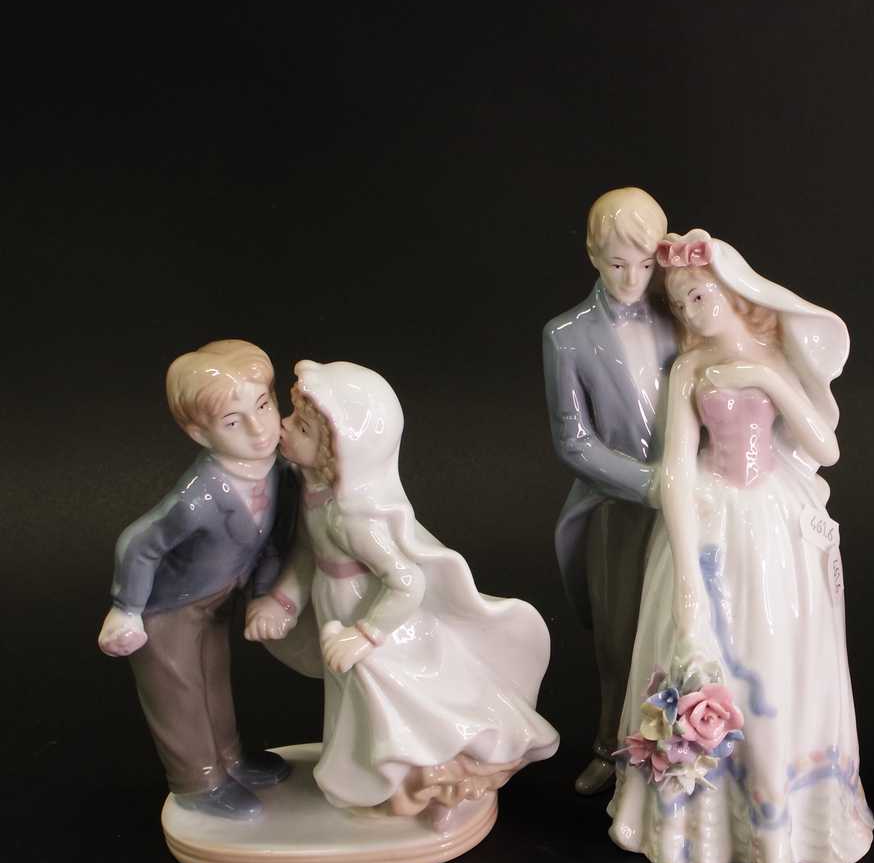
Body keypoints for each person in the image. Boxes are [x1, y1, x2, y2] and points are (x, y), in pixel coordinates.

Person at [607, 231, 873, 863]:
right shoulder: (688, 370)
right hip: (710, 512)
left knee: (773, 649)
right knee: (697, 643)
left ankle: (780, 814)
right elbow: (675, 468)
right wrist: (684, 563)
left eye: (701, 296)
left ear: (737, 295)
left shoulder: (772, 360)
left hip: (770, 520)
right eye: (681, 303)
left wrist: (766, 379)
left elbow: (826, 448)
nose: (691, 312)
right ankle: (692, 820)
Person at [250, 360, 557, 822]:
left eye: (303, 427)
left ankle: (418, 785)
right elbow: (308, 554)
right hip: (341, 608)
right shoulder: (315, 492)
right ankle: (378, 783)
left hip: (379, 624)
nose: (284, 426)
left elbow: (407, 581)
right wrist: (284, 601)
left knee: (396, 710)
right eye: (293, 417)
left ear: (339, 451)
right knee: (355, 707)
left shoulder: (353, 516)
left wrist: (365, 635)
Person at [98, 339, 297, 819]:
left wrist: (264, 589)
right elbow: (138, 542)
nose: (259, 429)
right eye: (232, 422)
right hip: (167, 608)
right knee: (180, 694)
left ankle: (229, 761)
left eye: (263, 406)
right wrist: (126, 610)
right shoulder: (199, 498)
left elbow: (266, 539)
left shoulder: (273, 469)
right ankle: (197, 782)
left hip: (215, 599)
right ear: (199, 433)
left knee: (212, 680)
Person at [543, 187, 677, 796]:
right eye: (618, 263)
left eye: (645, 264)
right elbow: (574, 442)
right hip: (618, 506)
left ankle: (674, 747)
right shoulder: (566, 336)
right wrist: (649, 484)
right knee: (619, 635)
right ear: (593, 256)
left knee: (679, 626)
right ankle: (609, 746)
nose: (632, 279)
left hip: (689, 499)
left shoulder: (680, 314)